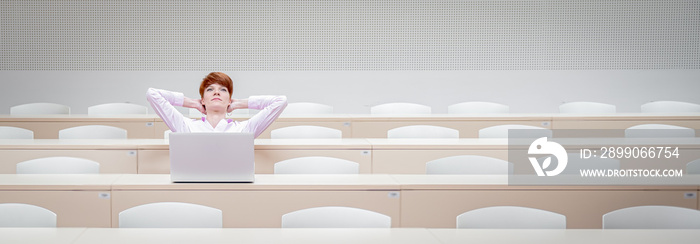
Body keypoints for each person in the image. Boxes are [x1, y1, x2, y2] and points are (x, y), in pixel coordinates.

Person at [147, 72, 287, 138]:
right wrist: (191, 103)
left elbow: (280, 101)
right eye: (210, 89)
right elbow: (152, 94)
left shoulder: (245, 129)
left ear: (229, 100)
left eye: (223, 90)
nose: (216, 92)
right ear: (203, 100)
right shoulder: (186, 126)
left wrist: (239, 103)